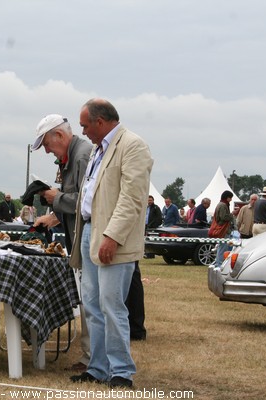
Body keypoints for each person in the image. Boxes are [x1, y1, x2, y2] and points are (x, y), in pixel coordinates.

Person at [69, 98, 152, 388]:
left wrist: (112, 236)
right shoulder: (97, 150)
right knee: (91, 304)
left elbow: (132, 198)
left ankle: (121, 371)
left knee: (112, 305)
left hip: (112, 239)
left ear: (100, 122)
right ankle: (98, 367)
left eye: (84, 125)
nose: (83, 132)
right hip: (90, 233)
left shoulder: (133, 146)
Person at [30, 113, 93, 372]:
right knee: (89, 300)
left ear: (59, 135)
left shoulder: (82, 156)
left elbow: (88, 201)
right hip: (79, 237)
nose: (46, 150)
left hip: (88, 238)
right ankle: (92, 357)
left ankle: (94, 360)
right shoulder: (74, 156)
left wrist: (56, 197)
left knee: (92, 301)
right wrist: (54, 217)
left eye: (46, 143)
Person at [212, 190, 236, 268]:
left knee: (221, 247)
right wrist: (232, 214)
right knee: (223, 248)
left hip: (223, 230)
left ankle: (218, 263)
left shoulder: (221, 204)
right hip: (223, 230)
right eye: (230, 198)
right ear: (227, 197)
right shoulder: (223, 205)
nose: (231, 200)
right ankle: (219, 264)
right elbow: (223, 217)